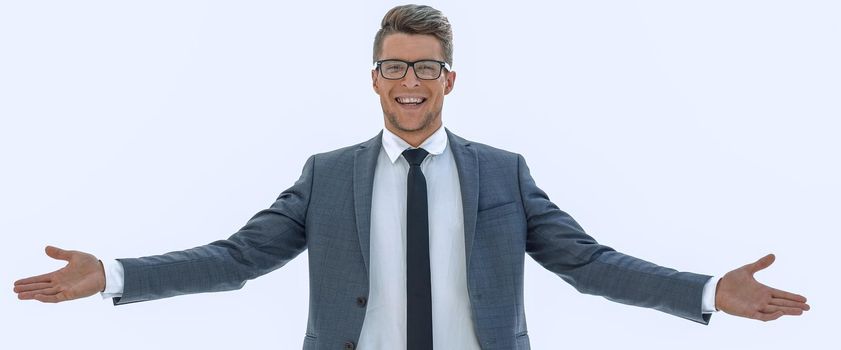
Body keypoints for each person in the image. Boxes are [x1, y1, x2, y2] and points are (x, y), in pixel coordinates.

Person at [13, 4, 809, 350]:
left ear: (448, 80)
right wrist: (115, 273)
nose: (410, 82)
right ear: (373, 77)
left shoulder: (502, 173)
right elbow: (236, 258)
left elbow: (589, 264)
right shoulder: (327, 178)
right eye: (394, 66)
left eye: (426, 67)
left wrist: (707, 292)